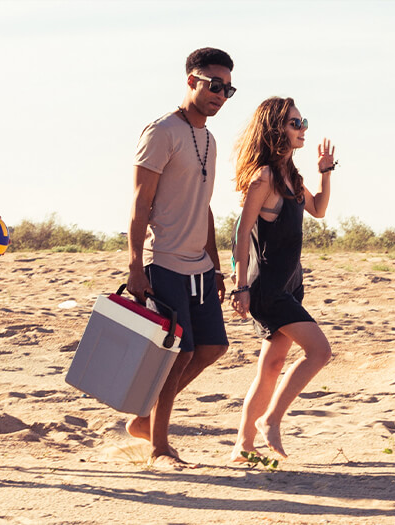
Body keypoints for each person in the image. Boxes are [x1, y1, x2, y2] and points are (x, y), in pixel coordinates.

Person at [125, 47, 235, 467]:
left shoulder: (208, 137)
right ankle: (159, 446)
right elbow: (139, 204)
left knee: (212, 347)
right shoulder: (161, 132)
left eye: (227, 89)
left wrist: (216, 263)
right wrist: (135, 267)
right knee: (179, 351)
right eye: (214, 85)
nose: (220, 94)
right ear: (192, 81)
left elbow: (204, 206)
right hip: (163, 260)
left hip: (199, 267)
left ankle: (147, 419)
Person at [227, 97, 337, 461]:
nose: (303, 128)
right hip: (267, 287)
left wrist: (326, 170)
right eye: (295, 123)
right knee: (319, 351)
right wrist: (240, 285)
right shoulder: (264, 178)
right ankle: (271, 420)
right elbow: (241, 233)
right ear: (276, 129)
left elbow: (318, 210)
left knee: (272, 365)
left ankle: (242, 446)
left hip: (290, 284)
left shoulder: (291, 177)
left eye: (303, 121)